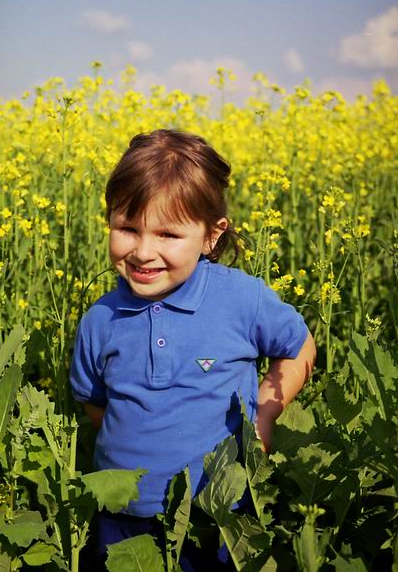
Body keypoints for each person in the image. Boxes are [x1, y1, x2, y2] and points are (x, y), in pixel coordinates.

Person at [70, 129, 316, 570]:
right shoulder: (99, 320)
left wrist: (263, 414)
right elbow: (96, 406)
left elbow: (299, 348)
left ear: (211, 236)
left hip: (217, 517)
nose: (144, 251)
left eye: (167, 234)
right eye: (127, 228)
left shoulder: (241, 298)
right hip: (121, 517)